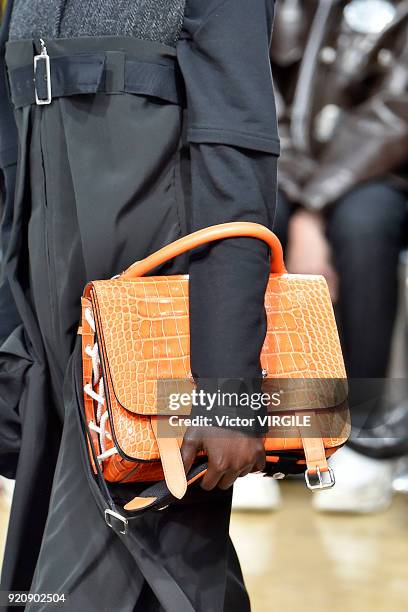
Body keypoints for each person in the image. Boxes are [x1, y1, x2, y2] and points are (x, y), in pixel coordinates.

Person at [0, 1, 280, 609]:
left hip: (157, 364)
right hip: (51, 362)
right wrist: (10, 349)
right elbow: (10, 177)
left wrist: (228, 392)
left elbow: (235, 172)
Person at [272, 0, 408, 513]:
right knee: (251, 218)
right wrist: (295, 190)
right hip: (290, 165)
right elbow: (263, 100)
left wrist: (314, 208)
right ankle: (264, 430)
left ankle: (367, 437)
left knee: (364, 222)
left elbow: (395, 113)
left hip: (382, 172)